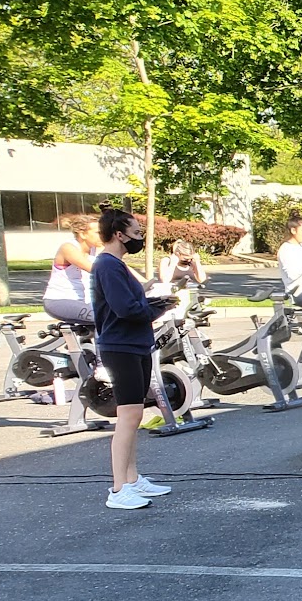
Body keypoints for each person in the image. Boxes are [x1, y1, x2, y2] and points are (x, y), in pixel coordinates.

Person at [88, 208, 172, 511]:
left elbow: (129, 303)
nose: (140, 237)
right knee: (128, 416)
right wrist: (158, 308)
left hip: (134, 344)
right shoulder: (107, 265)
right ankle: (118, 488)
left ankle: (132, 479)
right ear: (119, 234)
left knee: (134, 415)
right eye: (136, 233)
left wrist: (154, 301)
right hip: (120, 346)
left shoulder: (115, 264)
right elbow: (125, 309)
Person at [42, 214, 102, 325]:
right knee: (104, 317)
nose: (102, 235)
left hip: (82, 302)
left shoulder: (95, 248)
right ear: (82, 234)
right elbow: (94, 269)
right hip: (59, 301)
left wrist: (138, 281)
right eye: (98, 232)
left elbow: (119, 265)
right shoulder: (68, 248)